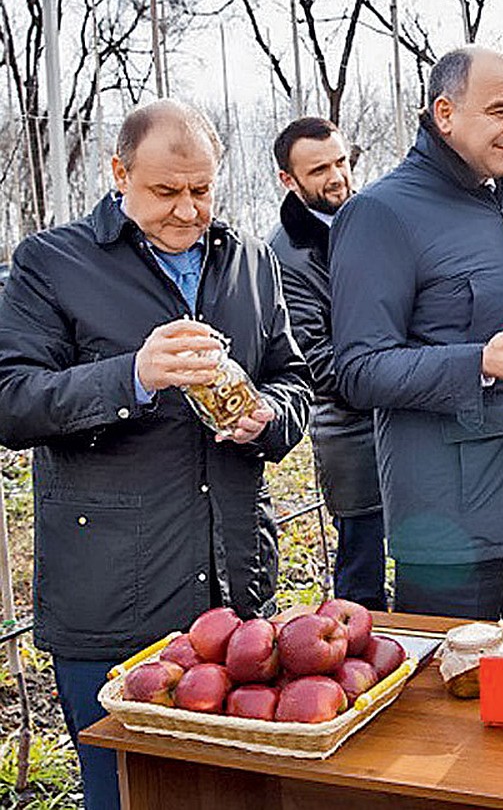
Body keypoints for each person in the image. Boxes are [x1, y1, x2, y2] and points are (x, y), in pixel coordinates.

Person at [0, 99, 312, 810]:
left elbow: (295, 378)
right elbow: (12, 399)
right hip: (110, 594)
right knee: (126, 791)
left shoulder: (250, 261)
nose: (187, 210)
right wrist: (132, 376)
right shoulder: (54, 263)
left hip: (233, 589)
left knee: (234, 787)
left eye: (202, 190)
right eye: (166, 192)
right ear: (119, 173)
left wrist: (268, 418)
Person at [329, 46, 503, 625]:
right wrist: (481, 362)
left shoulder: (501, 203)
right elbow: (358, 369)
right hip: (452, 529)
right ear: (445, 113)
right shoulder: (382, 213)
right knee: (454, 704)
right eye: (501, 111)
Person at [268, 117, 386, 610]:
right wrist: (400, 379)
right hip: (351, 432)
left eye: (341, 162)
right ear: (288, 180)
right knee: (362, 571)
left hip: (407, 418)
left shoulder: (373, 221)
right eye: (319, 169)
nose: (337, 176)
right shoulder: (285, 255)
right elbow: (314, 358)